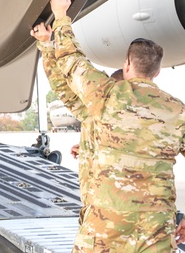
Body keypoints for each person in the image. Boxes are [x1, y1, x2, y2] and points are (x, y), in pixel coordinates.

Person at [33, 0, 185, 252]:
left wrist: (60, 20)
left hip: (106, 227)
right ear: (158, 72)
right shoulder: (179, 112)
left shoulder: (106, 96)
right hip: (157, 228)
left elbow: (71, 63)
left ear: (127, 64)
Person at [33, 16, 121, 221]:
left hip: (103, 219)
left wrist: (47, 44)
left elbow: (65, 82)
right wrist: (89, 146)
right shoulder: (153, 114)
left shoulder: (95, 111)